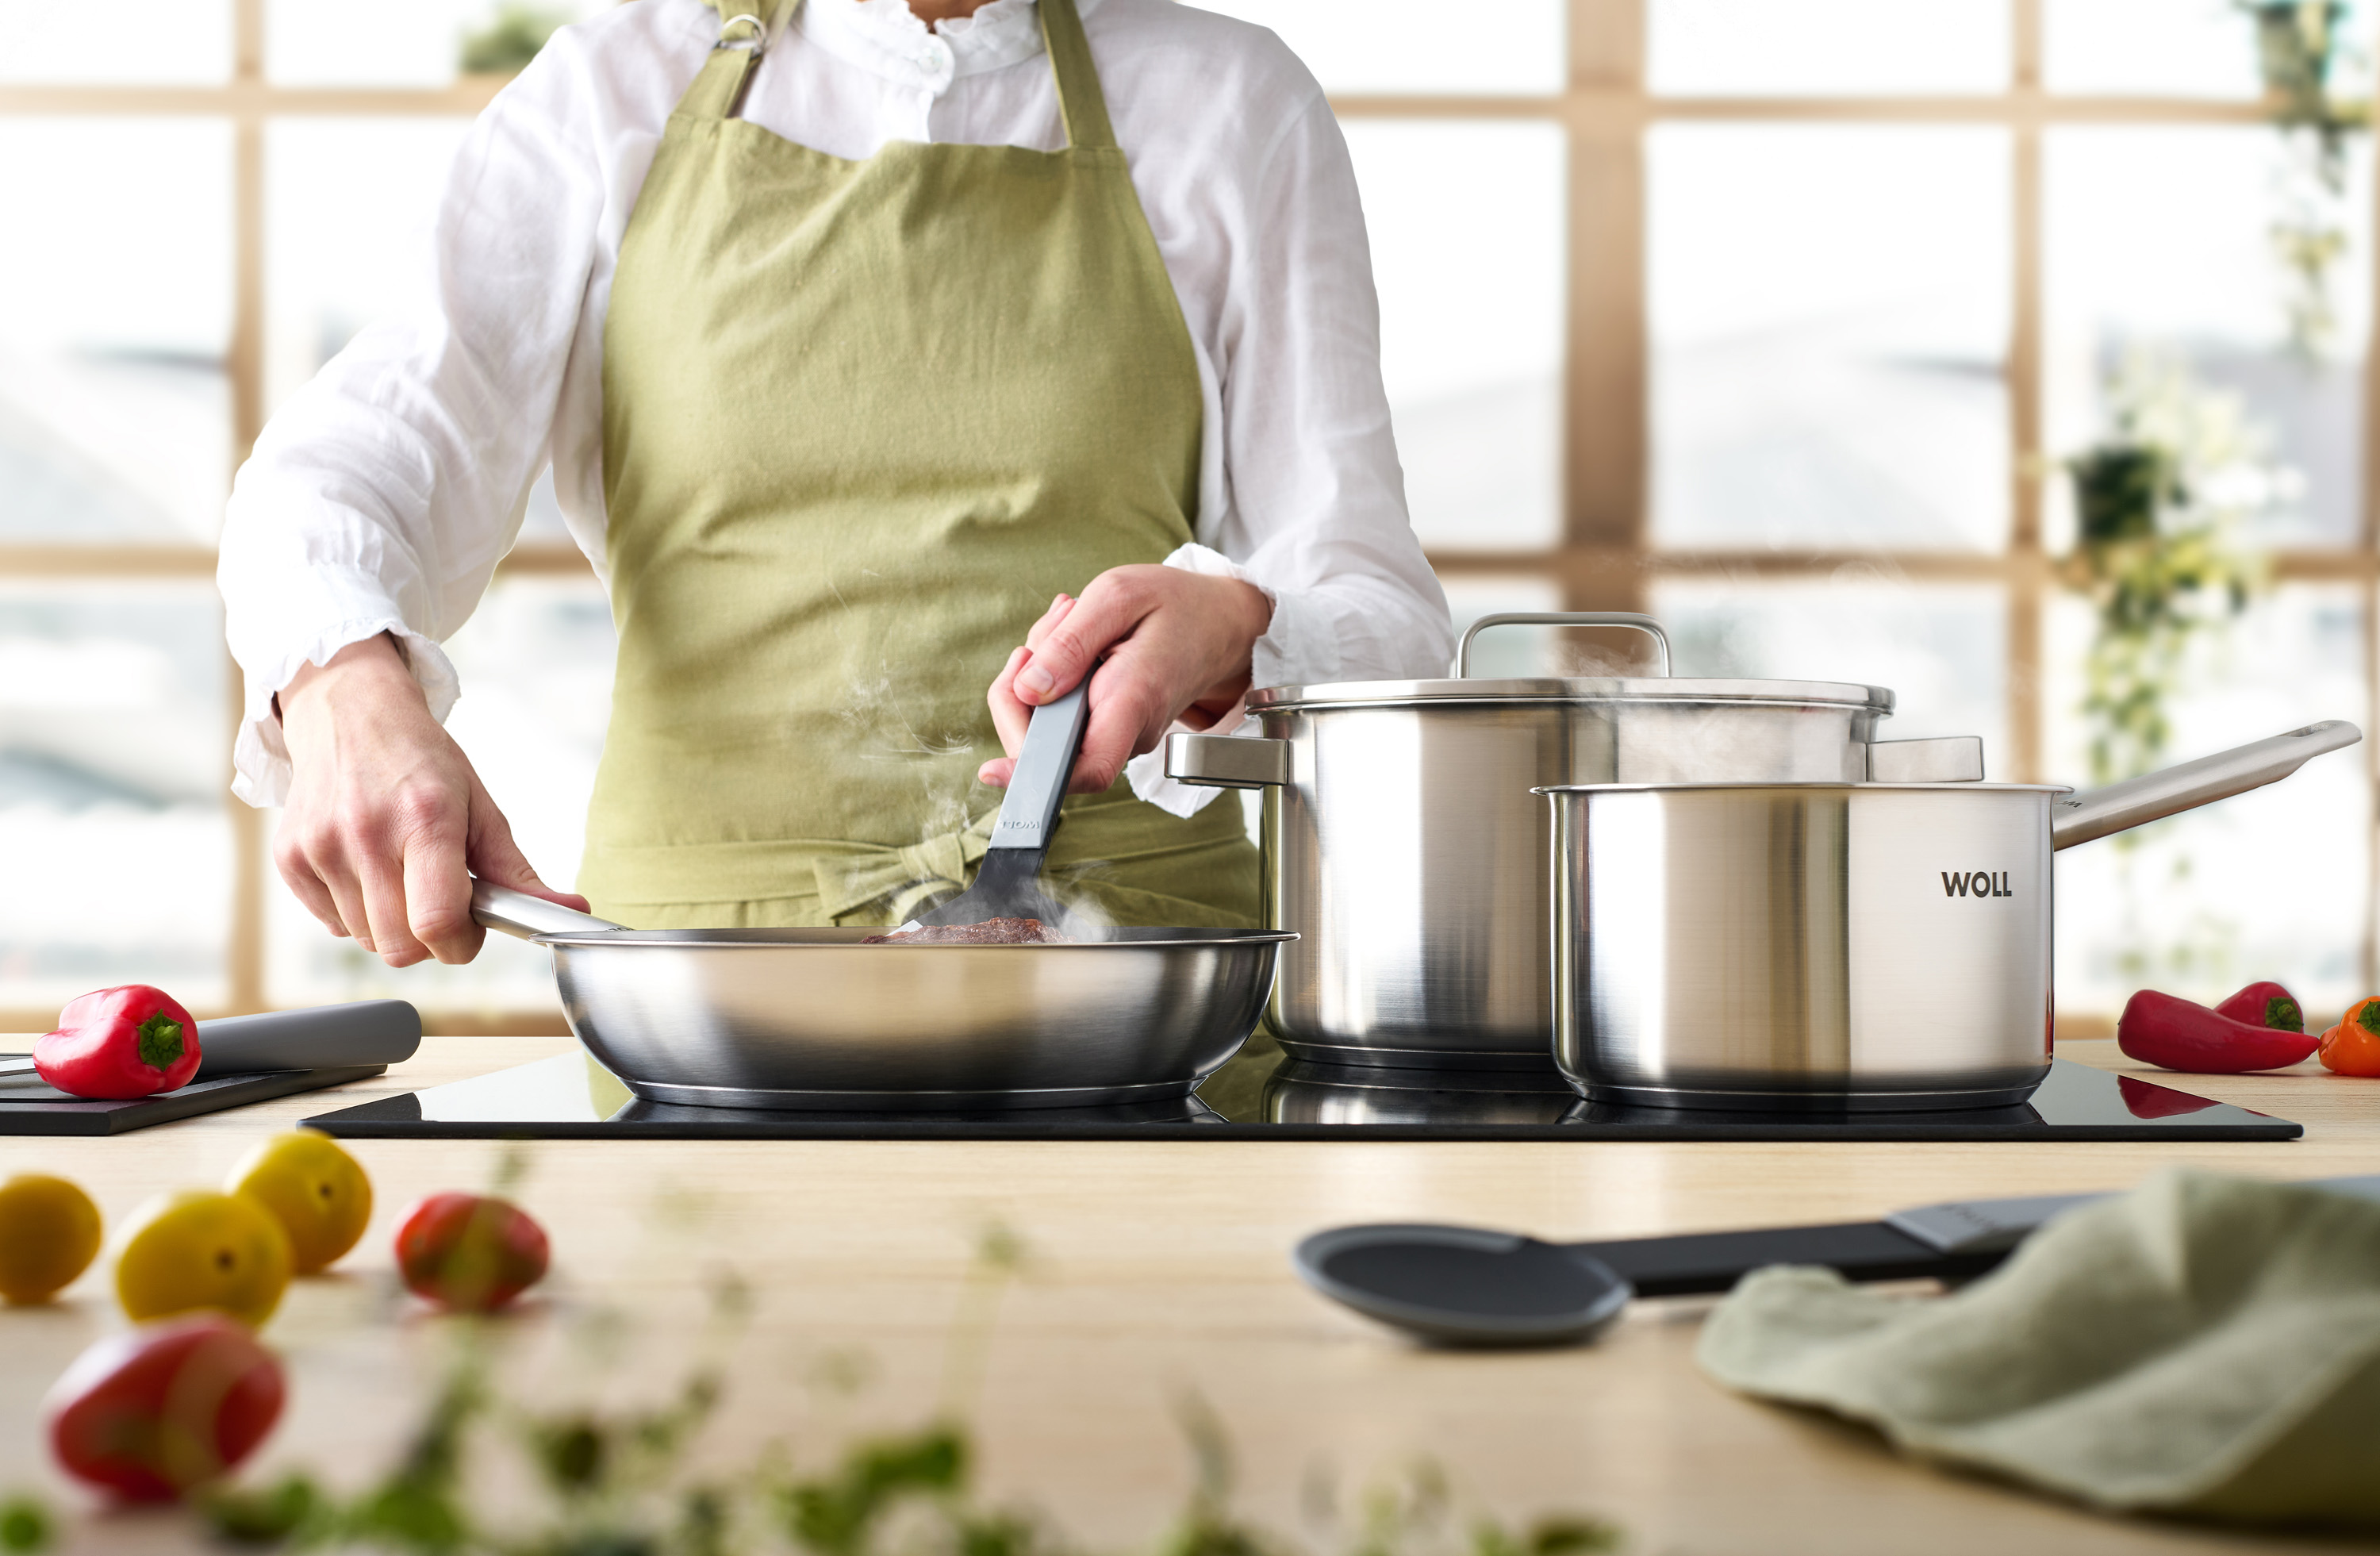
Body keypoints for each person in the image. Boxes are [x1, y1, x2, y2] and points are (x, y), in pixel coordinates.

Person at [220, 0, 1452, 968]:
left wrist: (1238, 630)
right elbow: (340, 474)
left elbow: (1377, 606)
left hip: (1132, 989)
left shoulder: (1232, 103)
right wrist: (340, 688)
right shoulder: (607, 96)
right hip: (704, 997)